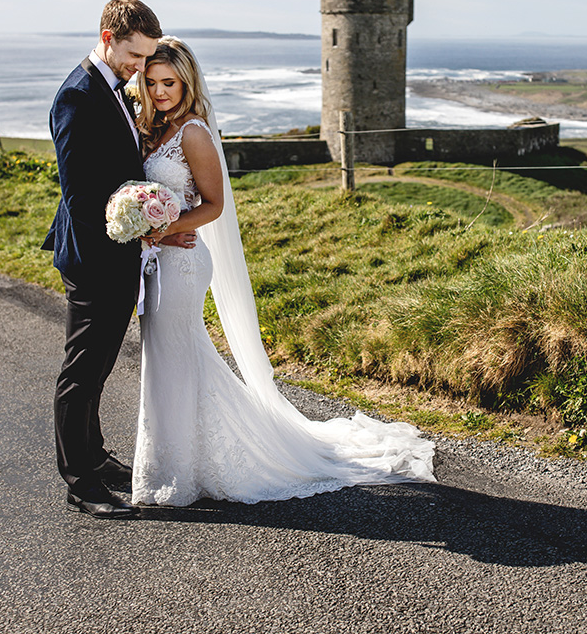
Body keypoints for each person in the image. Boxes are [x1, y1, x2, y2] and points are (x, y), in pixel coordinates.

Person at [129, 37, 435, 506]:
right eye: (151, 83)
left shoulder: (193, 132)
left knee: (178, 357)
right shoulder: (157, 128)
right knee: (169, 358)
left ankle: (186, 467)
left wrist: (161, 229)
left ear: (186, 81)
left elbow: (213, 206)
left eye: (168, 82)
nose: (160, 91)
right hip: (159, 260)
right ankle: (176, 462)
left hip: (184, 262)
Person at [42, 0, 196, 519]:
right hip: (95, 257)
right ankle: (80, 482)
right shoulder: (77, 97)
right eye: (134, 55)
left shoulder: (113, 87)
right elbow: (82, 198)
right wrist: (144, 234)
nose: (140, 68)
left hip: (119, 254)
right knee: (82, 371)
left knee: (102, 364)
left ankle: (95, 456)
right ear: (107, 36)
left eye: (146, 56)